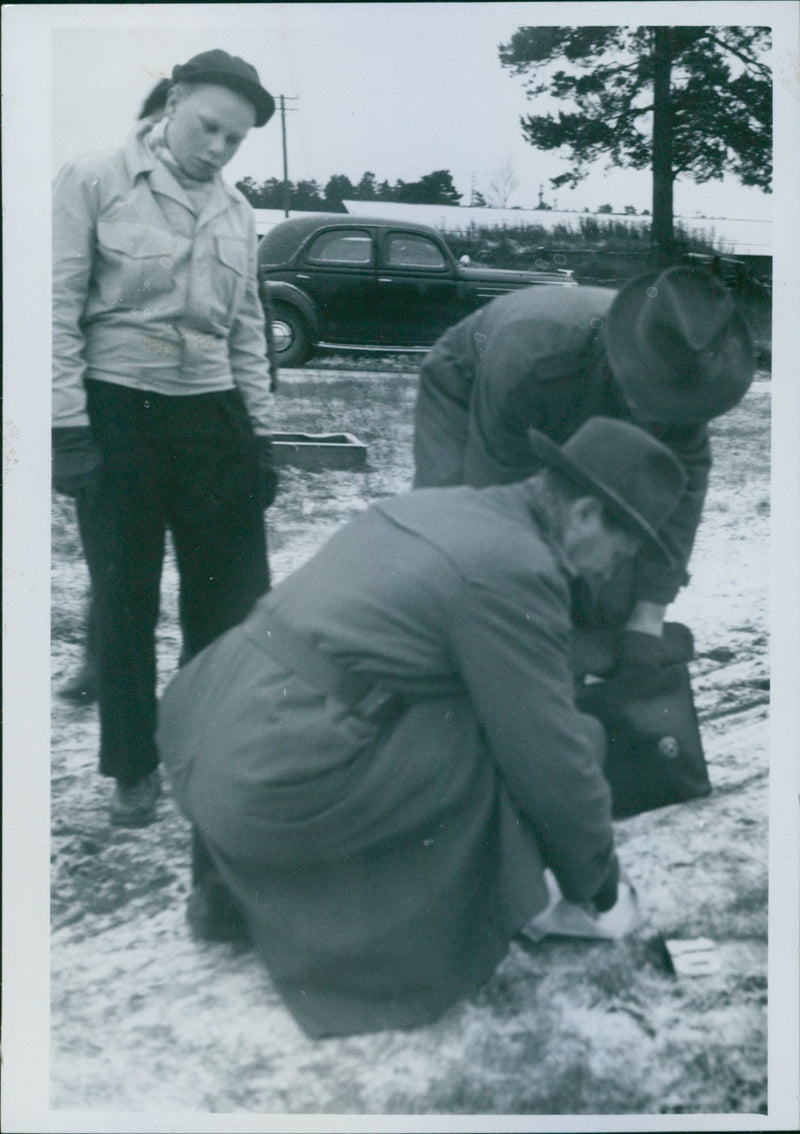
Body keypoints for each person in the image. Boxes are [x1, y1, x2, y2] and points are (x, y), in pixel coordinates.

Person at [157, 416, 687, 1039]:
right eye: (618, 556)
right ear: (587, 515)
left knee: (436, 708)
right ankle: (490, 909)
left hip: (208, 737)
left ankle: (237, 894)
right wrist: (596, 885)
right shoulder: (516, 566)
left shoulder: (441, 508)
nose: (606, 575)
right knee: (507, 745)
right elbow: (551, 761)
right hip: (273, 779)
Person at [52, 50, 279, 827]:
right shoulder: (93, 180)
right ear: (173, 101)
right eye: (208, 127)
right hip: (119, 413)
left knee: (235, 595)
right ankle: (133, 765)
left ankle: (204, 746)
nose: (217, 149)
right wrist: (67, 426)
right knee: (126, 597)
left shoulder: (239, 211)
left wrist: (260, 431)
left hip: (211, 413)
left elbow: (248, 328)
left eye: (234, 141)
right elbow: (53, 308)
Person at [412, 267, 756, 674]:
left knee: (605, 560)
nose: (654, 419)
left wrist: (647, 618)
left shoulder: (686, 376)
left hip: (584, 385)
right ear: (624, 362)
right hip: (472, 379)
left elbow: (680, 493)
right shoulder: (531, 354)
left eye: (663, 406)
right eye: (645, 399)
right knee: (455, 529)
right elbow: (497, 497)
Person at [56, 77, 175, 705]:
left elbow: (244, 316)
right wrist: (69, 428)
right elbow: (66, 315)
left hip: (194, 414)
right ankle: (102, 666)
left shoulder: (215, 208)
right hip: (117, 411)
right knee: (119, 565)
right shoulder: (102, 194)